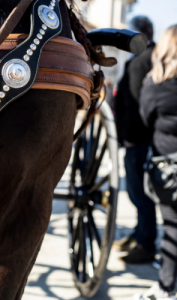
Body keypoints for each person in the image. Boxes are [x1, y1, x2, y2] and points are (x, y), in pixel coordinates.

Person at [134, 24, 177, 300]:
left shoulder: (155, 84)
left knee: (172, 228)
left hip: (168, 166)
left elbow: (146, 118)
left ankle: (166, 286)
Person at [112, 16, 158, 264]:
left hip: (138, 141)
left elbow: (138, 104)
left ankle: (146, 243)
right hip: (140, 139)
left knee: (140, 194)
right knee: (139, 194)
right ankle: (140, 234)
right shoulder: (147, 57)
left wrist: (130, 137)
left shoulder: (142, 59)